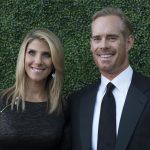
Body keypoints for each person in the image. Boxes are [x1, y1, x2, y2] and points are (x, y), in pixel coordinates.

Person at [69, 7, 150, 150]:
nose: (103, 45)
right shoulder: (77, 102)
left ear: (128, 42)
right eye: (97, 39)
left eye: (112, 38)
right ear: (91, 44)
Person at [0, 28, 70, 150]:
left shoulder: (62, 107)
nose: (38, 61)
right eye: (32, 53)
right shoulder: (2, 101)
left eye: (47, 55)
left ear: (54, 63)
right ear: (23, 57)